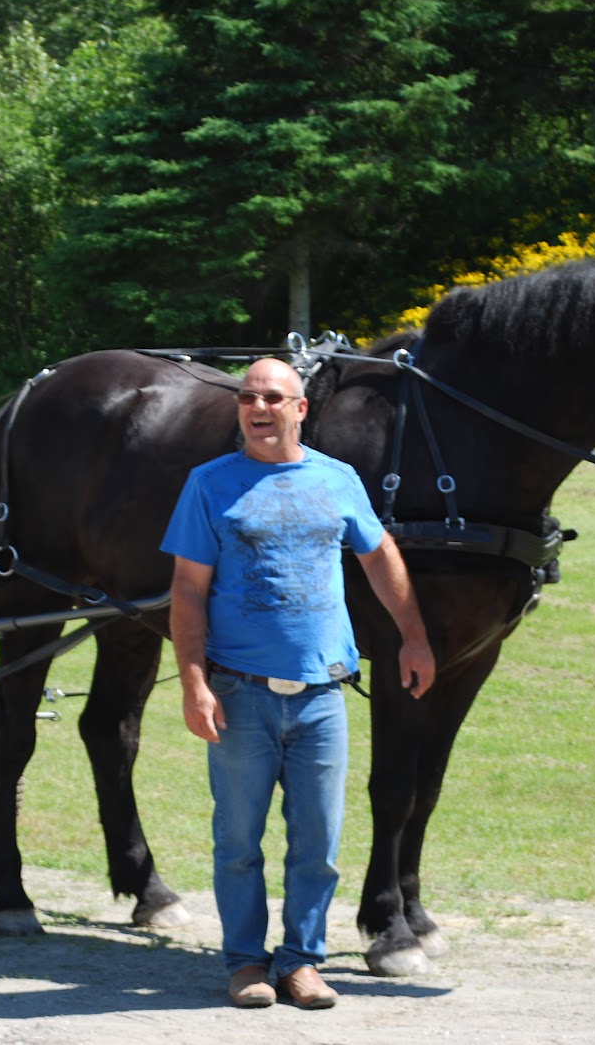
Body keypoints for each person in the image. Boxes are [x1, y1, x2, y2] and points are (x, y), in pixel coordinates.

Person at [163, 357, 436, 1010]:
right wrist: (194, 683)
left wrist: (414, 635)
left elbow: (379, 554)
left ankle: (302, 962)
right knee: (238, 842)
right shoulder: (209, 484)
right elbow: (187, 592)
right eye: (248, 398)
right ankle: (245, 962)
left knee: (318, 846)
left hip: (321, 696)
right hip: (240, 694)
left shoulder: (336, 479)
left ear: (300, 408)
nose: (258, 408)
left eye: (272, 398)